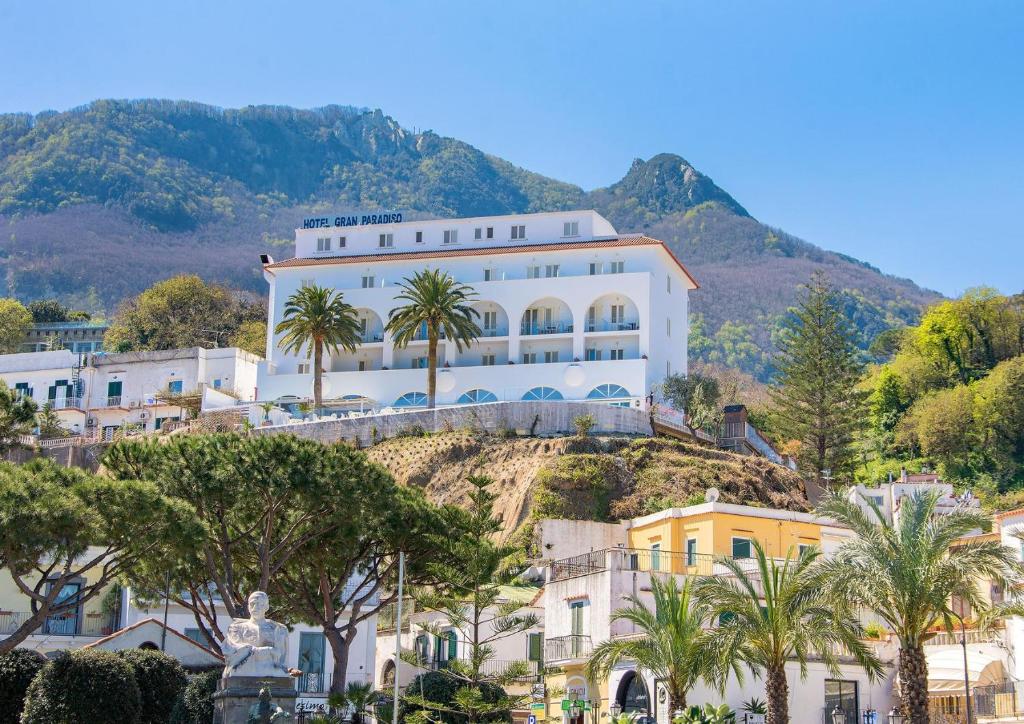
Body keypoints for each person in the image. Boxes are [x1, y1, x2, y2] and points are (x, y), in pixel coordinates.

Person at [222, 591, 290, 679]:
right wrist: (267, 650)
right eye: (252, 604)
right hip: (243, 670)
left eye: (260, 604)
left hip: (271, 671)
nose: (255, 608)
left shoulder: (279, 630)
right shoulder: (236, 628)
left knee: (279, 673)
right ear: (248, 606)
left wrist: (252, 651)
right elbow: (233, 651)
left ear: (266, 607)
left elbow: (281, 659)